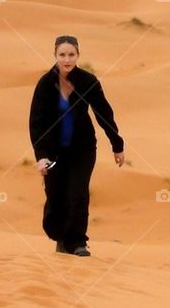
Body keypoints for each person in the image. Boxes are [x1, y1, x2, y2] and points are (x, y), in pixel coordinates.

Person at [28, 35, 125, 256]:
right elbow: (36, 123)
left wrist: (116, 144)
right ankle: (60, 236)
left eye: (71, 54)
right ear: (55, 55)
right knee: (55, 194)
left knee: (78, 193)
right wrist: (41, 155)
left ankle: (77, 242)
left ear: (78, 55)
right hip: (53, 152)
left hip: (83, 148)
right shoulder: (45, 84)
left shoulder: (88, 81)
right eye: (62, 54)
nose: (67, 59)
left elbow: (104, 114)